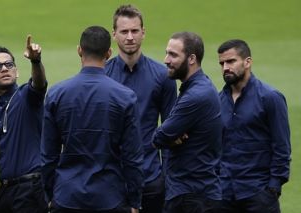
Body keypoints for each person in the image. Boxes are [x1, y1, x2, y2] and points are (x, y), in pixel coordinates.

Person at [41, 25, 144, 213]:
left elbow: (48, 155)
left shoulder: (56, 94)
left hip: (67, 196)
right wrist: (135, 201)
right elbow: (133, 157)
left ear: (79, 50)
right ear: (109, 53)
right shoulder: (125, 97)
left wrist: (49, 195)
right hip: (110, 197)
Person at [105, 5, 177, 212]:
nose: (129, 37)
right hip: (111, 180)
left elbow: (171, 130)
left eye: (135, 31)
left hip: (151, 178)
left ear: (143, 33)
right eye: (124, 31)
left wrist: (166, 176)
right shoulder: (104, 76)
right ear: (114, 35)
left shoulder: (163, 77)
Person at [217, 39, 291, 213]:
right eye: (222, 63)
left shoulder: (270, 98)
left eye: (231, 61)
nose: (226, 67)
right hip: (224, 194)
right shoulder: (218, 100)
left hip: (258, 194)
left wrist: (273, 186)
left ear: (248, 62)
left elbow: (282, 147)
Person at [152, 31, 222, 212]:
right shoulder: (199, 87)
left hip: (191, 196)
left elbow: (159, 136)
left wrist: (168, 138)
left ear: (191, 59)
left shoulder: (195, 96)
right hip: (195, 192)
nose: (166, 60)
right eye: (167, 53)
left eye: (173, 55)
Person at [0, 35, 48, 213]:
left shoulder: (27, 96)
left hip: (31, 188)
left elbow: (40, 84)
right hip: (5, 192)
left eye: (9, 64)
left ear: (17, 71)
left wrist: (36, 61)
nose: (4, 68)